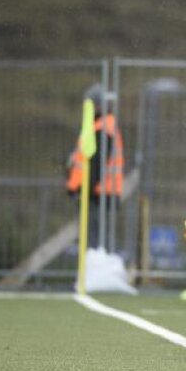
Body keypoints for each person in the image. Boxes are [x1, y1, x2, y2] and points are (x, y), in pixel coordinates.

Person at [65, 84, 123, 249]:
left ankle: (95, 262)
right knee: (96, 239)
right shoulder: (100, 126)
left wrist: (85, 189)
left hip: (97, 195)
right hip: (97, 193)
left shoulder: (102, 128)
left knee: (95, 243)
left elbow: (96, 164)